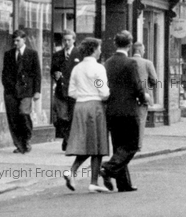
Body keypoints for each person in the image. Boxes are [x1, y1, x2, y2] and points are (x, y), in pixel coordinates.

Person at [100, 31, 149, 192]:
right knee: (132, 144)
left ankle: (123, 184)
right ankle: (108, 167)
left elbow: (103, 84)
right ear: (129, 45)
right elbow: (137, 86)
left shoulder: (107, 62)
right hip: (129, 110)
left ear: (115, 43)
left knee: (119, 146)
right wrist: (143, 99)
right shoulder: (130, 63)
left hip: (112, 110)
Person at [63, 37, 111, 193]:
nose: (101, 51)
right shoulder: (98, 69)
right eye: (99, 48)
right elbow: (103, 91)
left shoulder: (77, 69)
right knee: (98, 145)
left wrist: (83, 94)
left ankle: (72, 172)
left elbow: (71, 91)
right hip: (94, 107)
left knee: (85, 144)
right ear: (94, 49)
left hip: (80, 106)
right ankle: (94, 182)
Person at [2, 29, 41, 154]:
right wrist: (7, 86)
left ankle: (27, 139)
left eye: (18, 40)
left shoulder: (32, 54)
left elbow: (37, 74)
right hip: (11, 91)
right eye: (14, 40)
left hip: (26, 90)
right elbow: (5, 73)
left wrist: (37, 91)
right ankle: (19, 145)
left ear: (24, 40)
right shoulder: (8, 54)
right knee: (13, 118)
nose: (15, 43)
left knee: (24, 113)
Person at [51, 30, 80, 151]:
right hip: (61, 91)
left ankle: (68, 141)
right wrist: (55, 74)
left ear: (74, 40)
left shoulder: (79, 54)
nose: (67, 43)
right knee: (62, 117)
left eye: (69, 40)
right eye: (65, 40)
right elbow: (53, 69)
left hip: (75, 91)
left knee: (72, 117)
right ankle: (67, 138)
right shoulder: (57, 55)